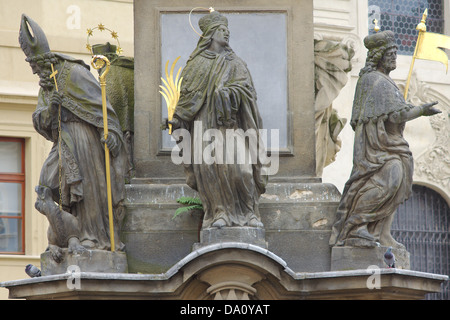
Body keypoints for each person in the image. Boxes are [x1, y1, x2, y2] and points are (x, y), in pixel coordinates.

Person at [19, 14, 128, 259]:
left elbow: (101, 108)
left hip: (85, 138)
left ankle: (91, 236)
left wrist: (111, 135)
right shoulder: (46, 85)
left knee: (88, 190)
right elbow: (40, 121)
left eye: (35, 64)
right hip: (64, 141)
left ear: (46, 60)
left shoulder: (74, 73)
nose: (34, 70)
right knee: (47, 183)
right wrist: (52, 108)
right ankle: (65, 234)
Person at [329, 30, 441, 248]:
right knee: (389, 179)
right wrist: (420, 110)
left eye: (396, 53)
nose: (394, 58)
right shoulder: (373, 80)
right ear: (378, 55)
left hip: (392, 145)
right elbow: (396, 115)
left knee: (397, 184)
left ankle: (382, 232)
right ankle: (357, 226)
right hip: (377, 149)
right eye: (390, 53)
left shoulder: (386, 81)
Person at [170, 10, 267, 229]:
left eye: (228, 30)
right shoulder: (196, 64)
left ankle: (250, 211)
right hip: (204, 124)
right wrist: (179, 119)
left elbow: (249, 93)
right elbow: (187, 96)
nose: (227, 33)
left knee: (241, 168)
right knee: (211, 170)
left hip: (232, 125)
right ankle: (219, 212)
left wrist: (230, 93)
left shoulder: (236, 62)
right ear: (211, 34)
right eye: (222, 30)